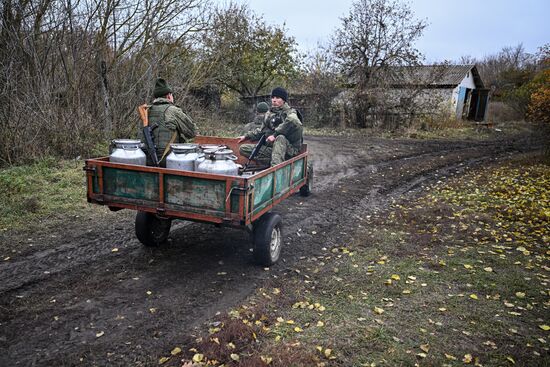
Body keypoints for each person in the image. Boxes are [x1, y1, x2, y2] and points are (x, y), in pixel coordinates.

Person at [238, 87, 303, 167]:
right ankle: (275, 161)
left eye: (277, 98)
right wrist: (246, 136)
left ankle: (275, 169)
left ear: (284, 100)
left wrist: (275, 135)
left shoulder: (290, 112)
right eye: (273, 97)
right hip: (272, 149)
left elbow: (293, 120)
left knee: (280, 138)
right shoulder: (270, 114)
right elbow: (262, 131)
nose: (274, 100)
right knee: (243, 148)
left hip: (288, 150)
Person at [140, 78, 196, 166]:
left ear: (155, 97)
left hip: (147, 159)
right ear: (169, 96)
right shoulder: (173, 111)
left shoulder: (146, 112)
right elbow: (192, 132)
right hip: (169, 160)